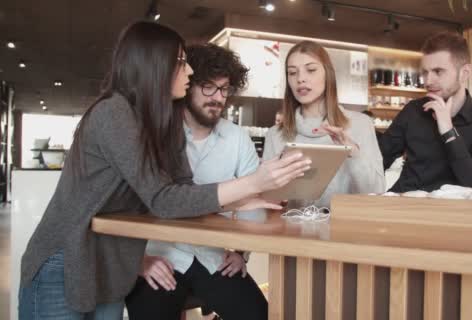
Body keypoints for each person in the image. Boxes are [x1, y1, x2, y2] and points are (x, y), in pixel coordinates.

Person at [18, 22, 309, 320]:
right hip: (67, 260)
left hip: (113, 264)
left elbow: (182, 187)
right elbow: (164, 199)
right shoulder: (114, 113)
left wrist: (243, 199)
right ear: (154, 65)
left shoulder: (158, 125)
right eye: (182, 63)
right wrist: (252, 183)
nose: (191, 72)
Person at [126, 44, 266, 320]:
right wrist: (137, 262)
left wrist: (240, 252)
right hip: (157, 257)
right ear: (187, 86)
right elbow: (128, 205)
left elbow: (254, 207)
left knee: (260, 314)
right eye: (208, 87)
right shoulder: (155, 133)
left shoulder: (237, 138)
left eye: (224, 89)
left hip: (211, 258)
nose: (218, 98)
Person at [263, 40, 385, 208]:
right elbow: (267, 199)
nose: (300, 79)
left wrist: (354, 154)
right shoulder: (275, 135)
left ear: (328, 74)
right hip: (293, 230)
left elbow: (376, 191)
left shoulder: (361, 125)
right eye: (292, 73)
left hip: (347, 229)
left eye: (311, 70)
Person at [379, 32, 472, 192]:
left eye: (438, 71)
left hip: (451, 213)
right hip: (404, 207)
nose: (428, 81)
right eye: (425, 72)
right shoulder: (413, 111)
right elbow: (379, 160)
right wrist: (355, 151)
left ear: (464, 73)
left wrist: (448, 132)